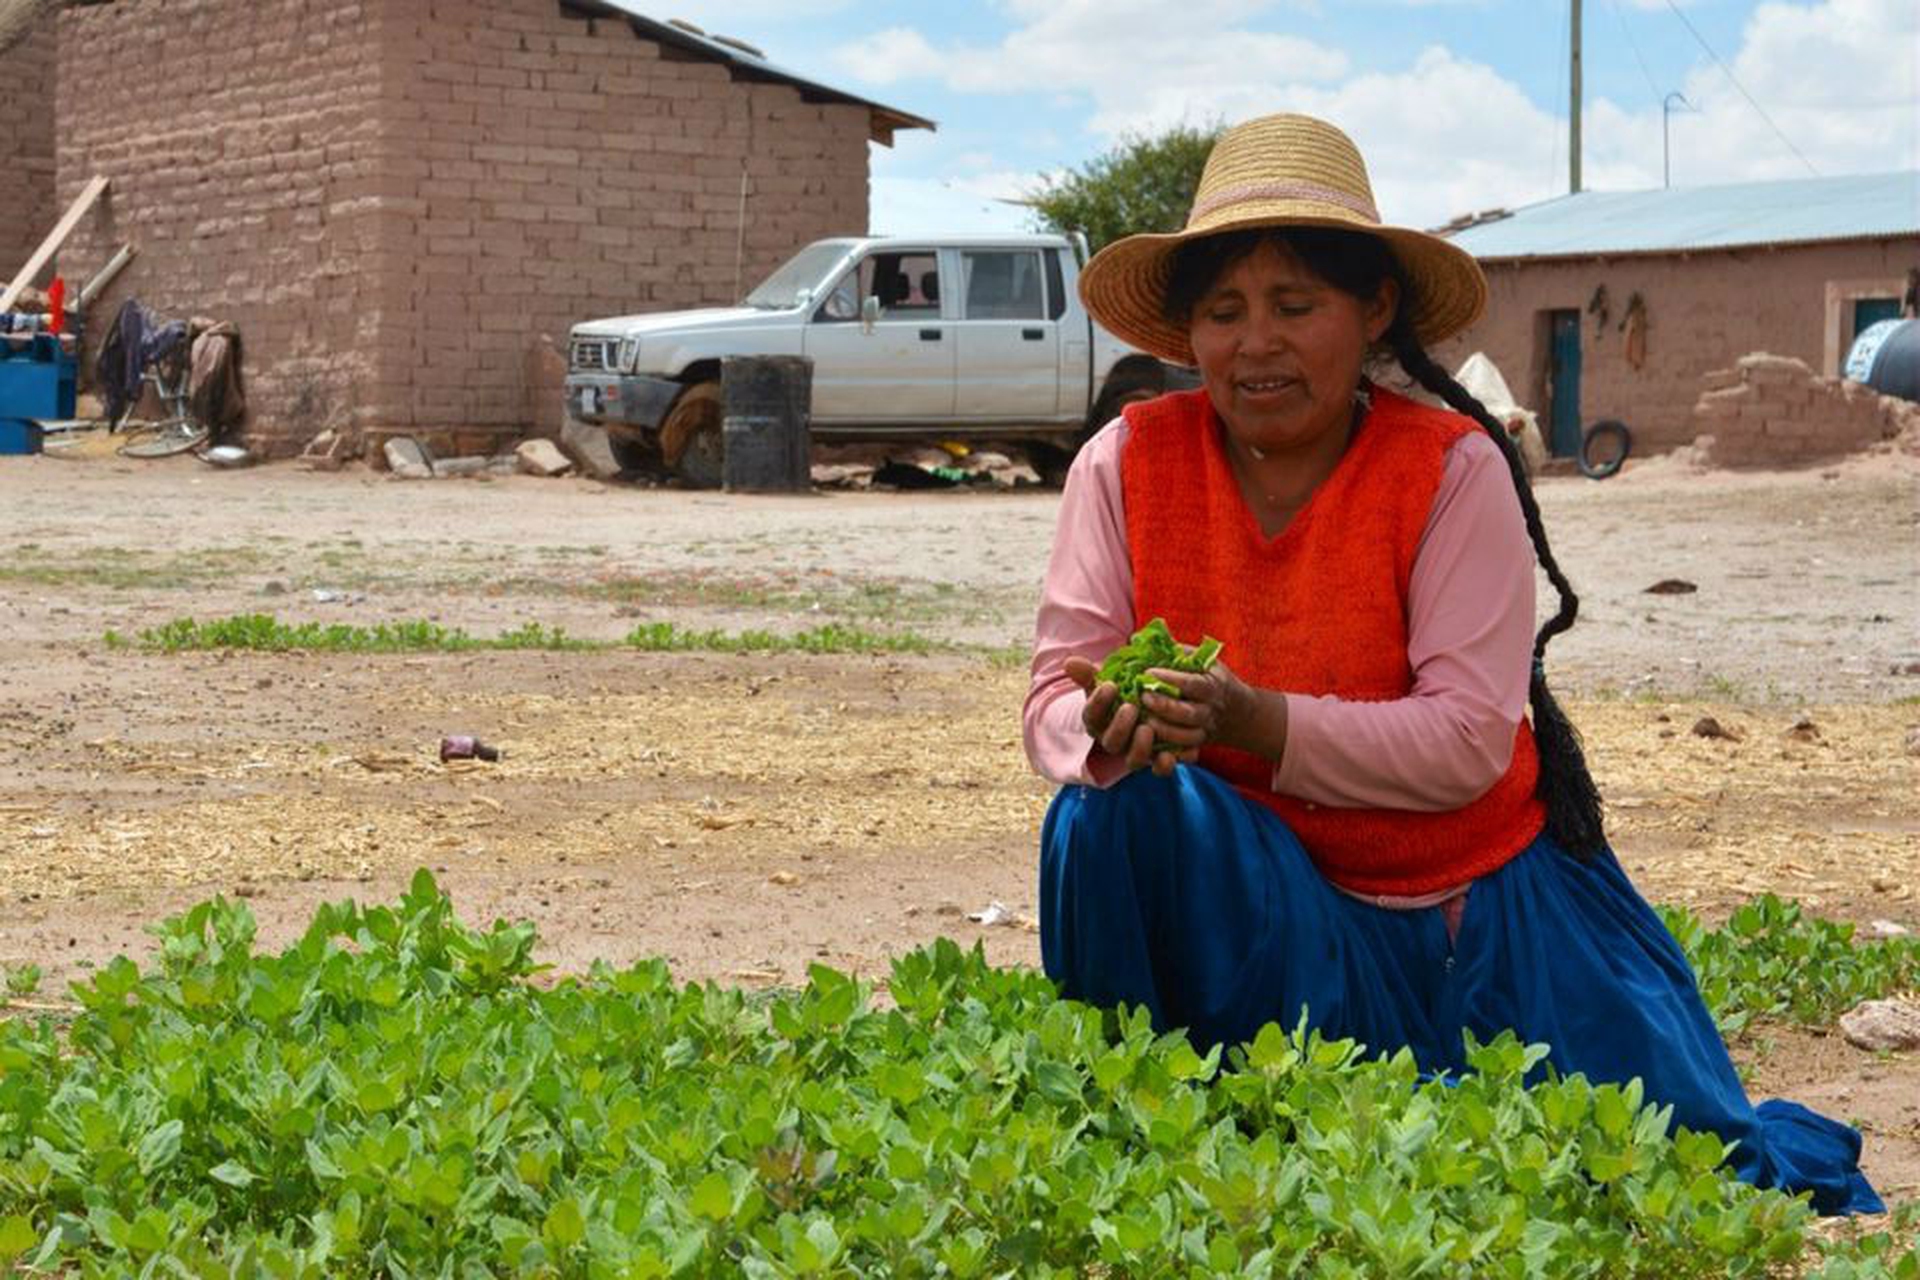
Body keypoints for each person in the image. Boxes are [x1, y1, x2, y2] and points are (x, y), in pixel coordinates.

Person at [1023, 112, 1881, 1216]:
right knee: (1099, 814)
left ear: (1373, 309)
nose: (1256, 344)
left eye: (1295, 305)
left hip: (1473, 926)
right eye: (1224, 312)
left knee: (1672, 1166)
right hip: (1268, 906)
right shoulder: (1125, 462)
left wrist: (1253, 719)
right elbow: (1057, 686)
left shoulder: (1451, 470)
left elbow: (1469, 739)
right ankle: (1146, 1104)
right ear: (1187, 334)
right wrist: (1096, 726)